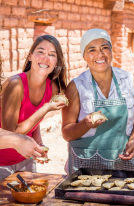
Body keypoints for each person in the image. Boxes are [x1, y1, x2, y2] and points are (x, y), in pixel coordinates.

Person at [62, 29, 134, 175]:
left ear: (112, 51)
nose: (100, 54)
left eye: (104, 48)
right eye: (92, 50)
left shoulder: (130, 81)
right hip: (85, 167)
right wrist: (85, 124)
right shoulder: (76, 87)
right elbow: (66, 134)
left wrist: (133, 140)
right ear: (84, 56)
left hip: (123, 161)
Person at [0, 35, 67, 181]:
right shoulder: (15, 84)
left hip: (25, 160)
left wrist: (38, 142)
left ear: (56, 63)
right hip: (2, 164)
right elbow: (11, 133)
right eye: (40, 52)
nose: (45, 58)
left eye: (51, 55)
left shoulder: (52, 87)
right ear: (30, 56)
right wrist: (46, 108)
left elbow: (31, 117)